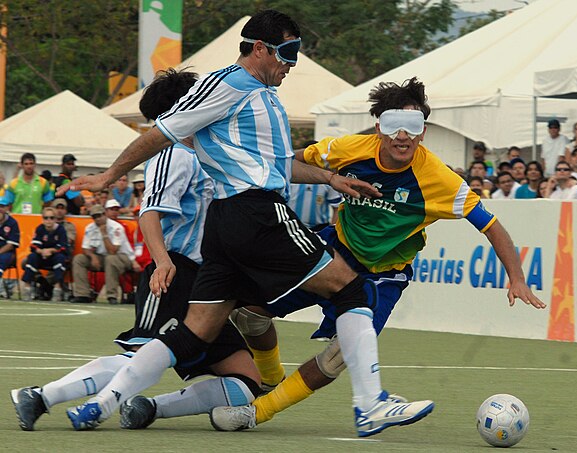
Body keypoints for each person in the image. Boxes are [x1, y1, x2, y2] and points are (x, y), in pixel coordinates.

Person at [59, 10, 432, 437]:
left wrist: (331, 178)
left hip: (227, 223)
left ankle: (103, 404)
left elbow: (279, 166)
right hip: (256, 213)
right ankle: (371, 405)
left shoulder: (261, 93)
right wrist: (109, 176)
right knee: (351, 289)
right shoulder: (227, 84)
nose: (292, 63)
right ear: (259, 48)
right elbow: (161, 132)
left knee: (195, 331)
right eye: (287, 52)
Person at [203, 77, 545, 433]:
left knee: (339, 356)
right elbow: (288, 163)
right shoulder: (348, 148)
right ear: (379, 127)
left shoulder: (439, 179)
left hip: (383, 275)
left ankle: (257, 413)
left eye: (413, 126)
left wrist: (516, 278)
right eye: (394, 124)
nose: (403, 135)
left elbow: (491, 225)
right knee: (247, 314)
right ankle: (270, 377)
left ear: (423, 132)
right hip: (332, 251)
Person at [11, 68, 263, 432]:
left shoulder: (209, 151)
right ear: (184, 106)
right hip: (176, 272)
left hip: (209, 283)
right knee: (141, 356)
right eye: (201, 96)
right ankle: (40, 396)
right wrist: (162, 262)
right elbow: (150, 212)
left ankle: (148, 408)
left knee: (245, 382)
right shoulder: (171, 153)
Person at [70, 204, 138, 304]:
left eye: (99, 216)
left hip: (123, 257)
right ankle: (82, 294)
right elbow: (85, 247)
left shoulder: (116, 227)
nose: (97, 219)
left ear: (105, 214)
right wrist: (92, 256)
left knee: (110, 259)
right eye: (94, 217)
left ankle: (112, 295)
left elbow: (113, 251)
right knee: (79, 259)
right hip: (101, 257)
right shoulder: (90, 228)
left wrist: (104, 233)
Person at [21, 207, 68, 302]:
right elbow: (33, 246)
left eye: (51, 218)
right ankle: (27, 288)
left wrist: (51, 250)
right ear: (42, 219)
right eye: (46, 218)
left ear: (55, 219)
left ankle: (57, 289)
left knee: (60, 258)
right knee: (32, 257)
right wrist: (42, 251)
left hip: (55, 255)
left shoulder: (61, 229)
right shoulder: (40, 228)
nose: (48, 220)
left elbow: (63, 247)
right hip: (42, 255)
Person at [0, 197, 20, 298]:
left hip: (7, 253)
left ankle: (1, 289)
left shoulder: (12, 223)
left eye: (2, 206)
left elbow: (11, 244)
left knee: (2, 258)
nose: (0, 209)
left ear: (7, 208)